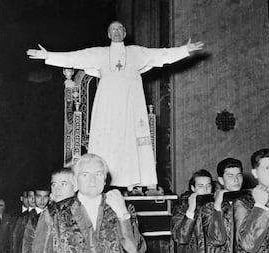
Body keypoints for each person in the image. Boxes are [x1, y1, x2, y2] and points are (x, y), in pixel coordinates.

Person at [26, 21, 204, 188]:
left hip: (131, 105)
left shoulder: (136, 52)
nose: (117, 32)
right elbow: (75, 57)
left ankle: (136, 182)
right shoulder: (100, 53)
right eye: (113, 29)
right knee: (106, 141)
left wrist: (184, 50)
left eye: (120, 29)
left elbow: (161, 55)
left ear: (125, 33)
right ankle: (102, 183)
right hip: (107, 106)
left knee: (133, 138)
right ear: (108, 34)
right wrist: (47, 55)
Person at [43, 153, 146, 253]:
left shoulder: (124, 208)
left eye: (98, 174)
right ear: (75, 180)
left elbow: (136, 250)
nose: (92, 180)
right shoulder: (54, 212)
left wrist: (123, 217)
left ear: (105, 180)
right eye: (85, 174)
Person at [32, 168, 77, 253]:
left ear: (75, 186)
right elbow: (40, 248)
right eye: (54, 185)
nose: (57, 189)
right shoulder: (47, 214)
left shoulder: (83, 212)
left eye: (63, 184)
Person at [206, 158, 244, 253]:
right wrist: (217, 207)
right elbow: (216, 239)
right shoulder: (209, 206)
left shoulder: (251, 202)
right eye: (230, 176)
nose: (236, 180)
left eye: (239, 175)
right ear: (221, 180)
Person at [171, 169, 214, 253]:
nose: (206, 190)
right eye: (200, 186)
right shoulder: (181, 207)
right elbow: (181, 238)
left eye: (208, 186)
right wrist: (191, 210)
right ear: (193, 188)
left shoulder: (215, 205)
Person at [22, 187, 50, 253]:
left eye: (45, 197)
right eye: (39, 197)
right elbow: (26, 243)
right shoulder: (26, 217)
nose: (42, 201)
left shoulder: (53, 215)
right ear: (34, 197)